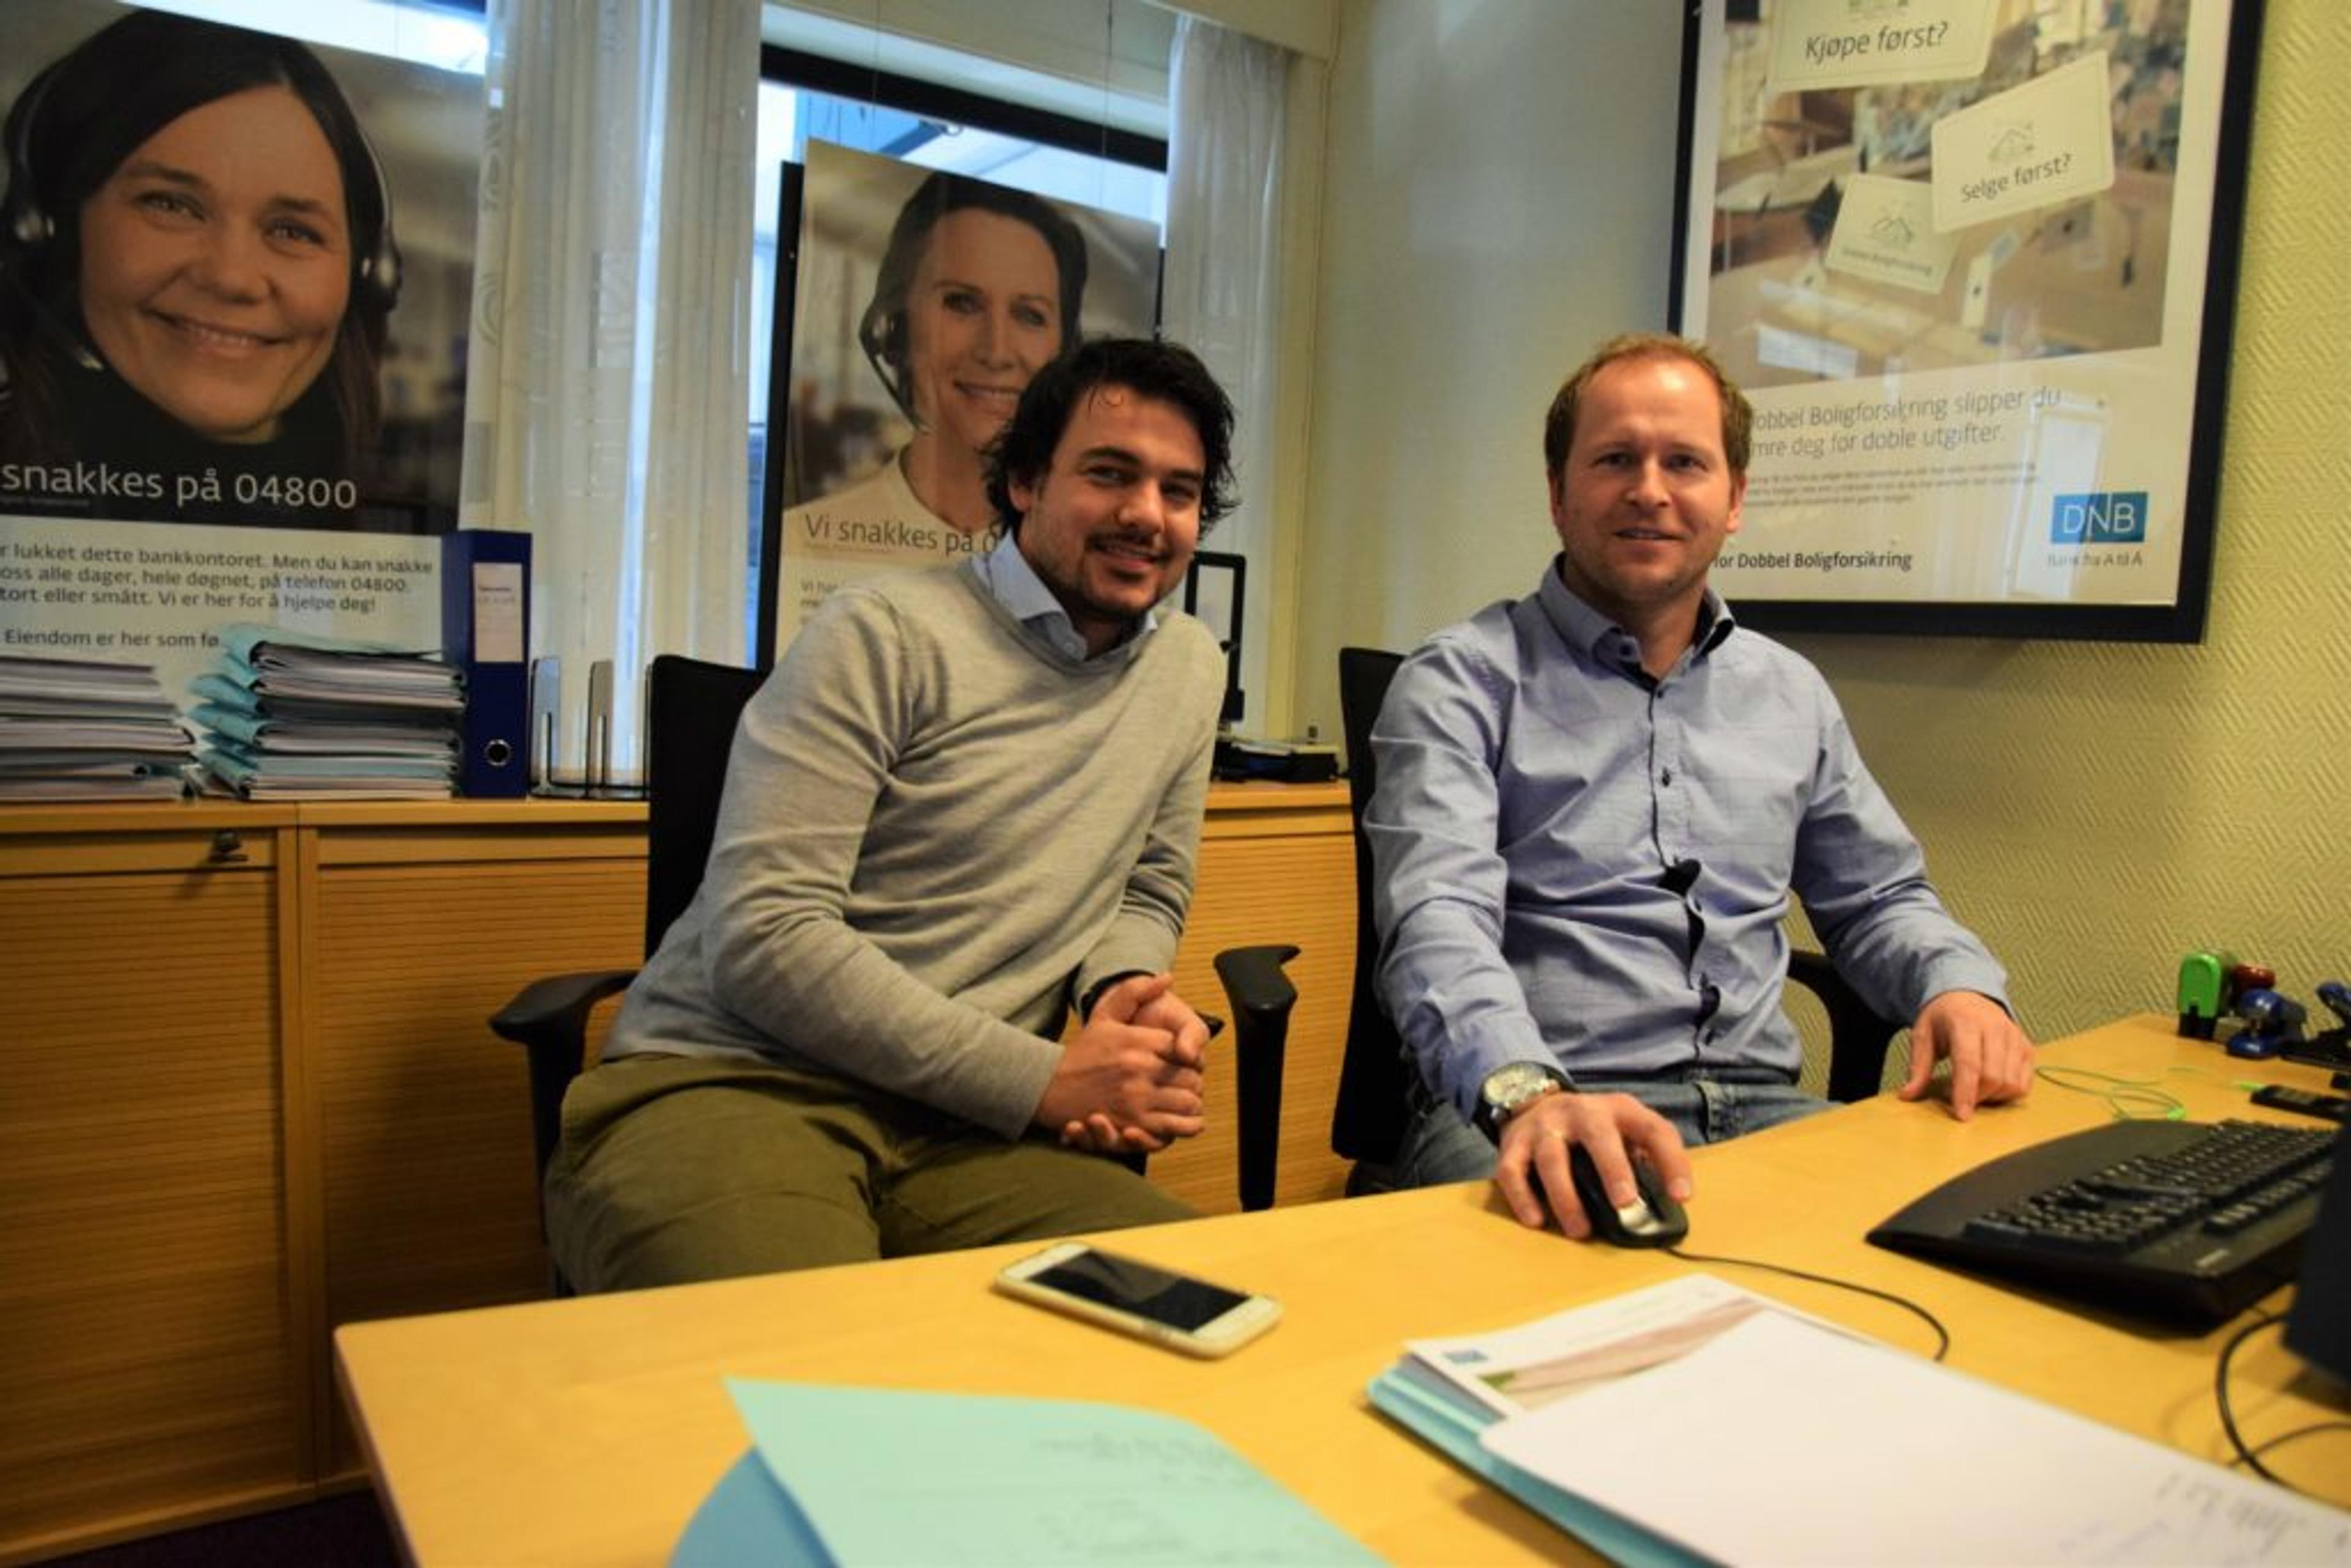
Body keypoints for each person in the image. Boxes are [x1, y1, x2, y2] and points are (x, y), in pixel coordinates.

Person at [544, 336, 1238, 1291]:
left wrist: (1121, 988)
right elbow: (766, 937)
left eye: (1178, 490)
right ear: (1026, 481)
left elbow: (1149, 886)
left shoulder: (1188, 667)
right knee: (803, 1362)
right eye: (1110, 474)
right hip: (738, 1085)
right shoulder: (882, 634)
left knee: (1204, 1311)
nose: (1147, 514)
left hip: (969, 1132)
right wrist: (1042, 1078)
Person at [1368, 331, 2035, 1240]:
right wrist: (1529, 1095)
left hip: (1765, 1110)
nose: (1650, 489)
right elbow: (1437, 918)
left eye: (1684, 462)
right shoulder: (1461, 682)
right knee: (1578, 1301)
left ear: (1735, 499)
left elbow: (1878, 898)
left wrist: (1959, 989)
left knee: (1970, 1237)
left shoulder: (1790, 693)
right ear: (1559, 493)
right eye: (1615, 459)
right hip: (1544, 1111)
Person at [0, 10, 399, 527]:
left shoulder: (390, 522)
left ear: (366, 275)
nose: (231, 278)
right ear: (51, 227)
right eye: (170, 204)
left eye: (293, 231)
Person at [778, 171, 1087, 644]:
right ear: (898, 323)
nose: (996, 351)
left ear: (1064, 346)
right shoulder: (801, 539)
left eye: (1030, 315)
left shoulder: (1087, 572)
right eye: (961, 303)